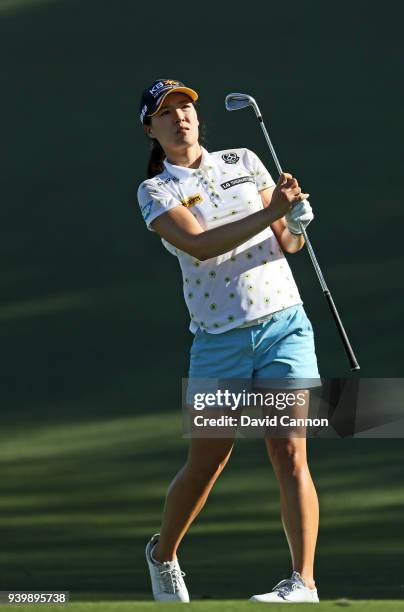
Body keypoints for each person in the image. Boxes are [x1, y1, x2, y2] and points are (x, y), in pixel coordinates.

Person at [137, 78, 321, 604]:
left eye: (186, 108)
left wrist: (297, 221)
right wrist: (272, 212)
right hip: (220, 342)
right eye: (166, 113)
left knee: (290, 453)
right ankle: (164, 553)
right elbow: (199, 245)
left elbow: (284, 243)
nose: (181, 118)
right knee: (208, 461)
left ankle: (303, 582)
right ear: (151, 129)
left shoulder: (243, 160)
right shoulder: (156, 192)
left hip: (285, 323)